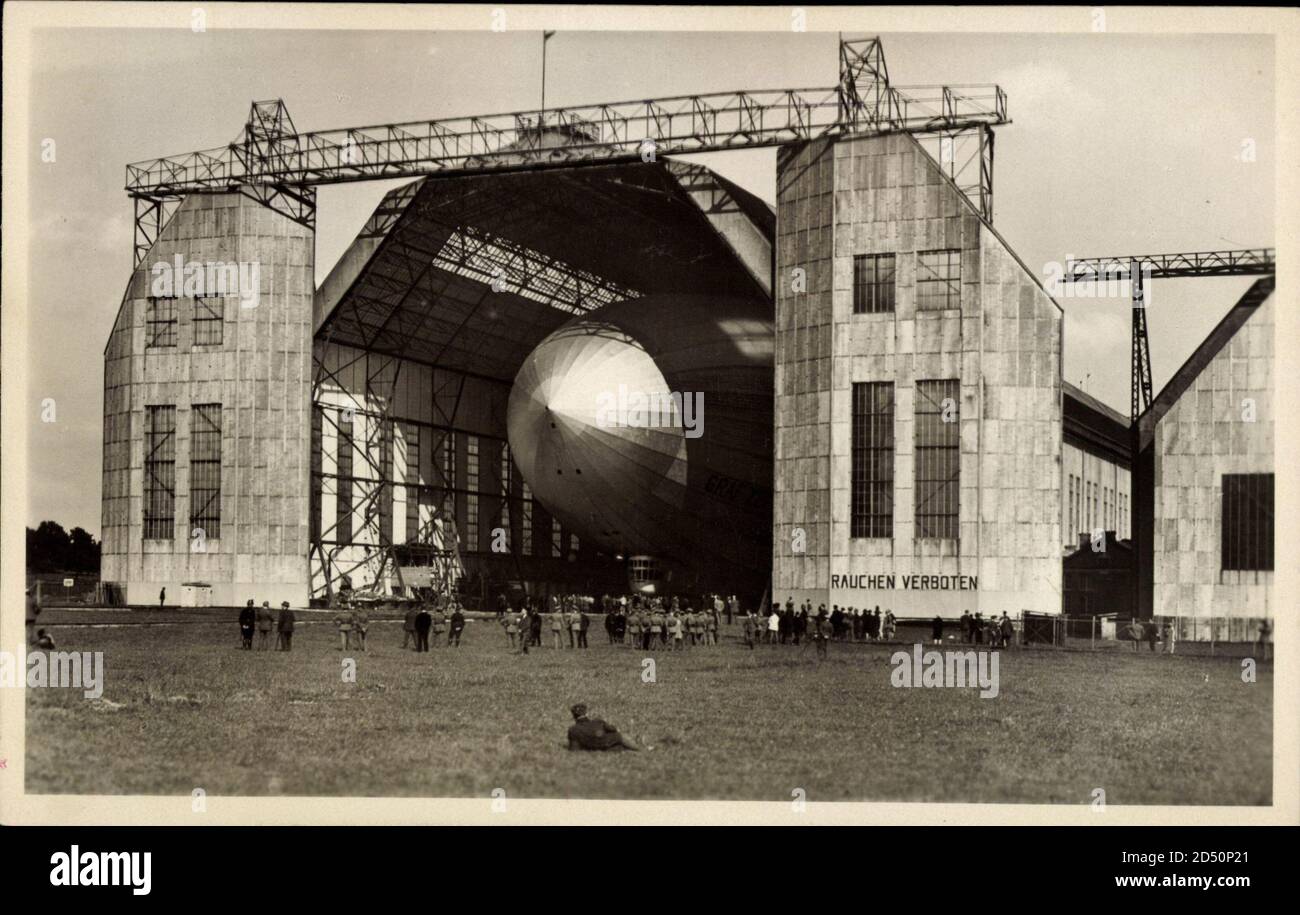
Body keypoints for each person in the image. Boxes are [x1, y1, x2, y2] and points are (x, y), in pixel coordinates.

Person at [566, 703, 649, 752]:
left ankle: (635, 747)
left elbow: (574, 749)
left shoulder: (573, 730)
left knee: (618, 747)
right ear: (586, 713)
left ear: (573, 716)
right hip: (605, 743)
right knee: (619, 737)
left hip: (594, 748)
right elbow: (613, 729)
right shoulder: (598, 722)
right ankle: (641, 749)